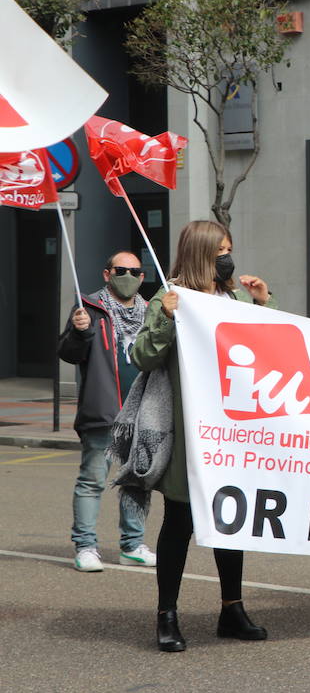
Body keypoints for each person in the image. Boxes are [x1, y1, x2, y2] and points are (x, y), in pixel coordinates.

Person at [131, 220, 275, 651]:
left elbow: (260, 352)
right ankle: (167, 616)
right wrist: (168, 319)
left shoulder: (229, 298)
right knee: (180, 522)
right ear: (201, 254)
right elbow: (141, 355)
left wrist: (263, 305)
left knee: (229, 520)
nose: (228, 258)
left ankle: (232, 608)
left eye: (229, 250)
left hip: (229, 432)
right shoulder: (170, 298)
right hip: (188, 430)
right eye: (220, 251)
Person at [57, 250, 157, 572]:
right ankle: (86, 546)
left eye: (134, 271)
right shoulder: (89, 309)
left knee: (136, 482)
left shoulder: (152, 311)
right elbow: (69, 354)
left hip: (142, 413)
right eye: (120, 270)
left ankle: (133, 544)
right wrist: (79, 331)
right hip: (103, 412)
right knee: (92, 480)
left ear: (143, 277)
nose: (127, 276)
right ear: (107, 274)